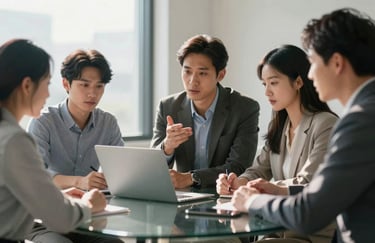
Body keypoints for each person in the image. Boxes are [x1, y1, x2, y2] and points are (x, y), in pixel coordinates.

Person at [232, 8, 375, 243]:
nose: (310, 75)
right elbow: (330, 192)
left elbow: (309, 212)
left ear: (337, 63)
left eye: (313, 63)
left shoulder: (360, 120)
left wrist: (251, 201)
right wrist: (280, 190)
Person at [217, 44, 338, 242]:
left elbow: (309, 183)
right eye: (264, 84)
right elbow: (257, 170)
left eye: (273, 83)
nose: (267, 92)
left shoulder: (325, 124)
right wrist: (238, 182)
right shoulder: (280, 127)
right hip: (275, 230)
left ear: (298, 81)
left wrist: (266, 188)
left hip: (309, 235)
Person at [0, 39, 107, 241]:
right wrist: (90, 204)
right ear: (27, 85)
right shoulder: (15, 141)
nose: (49, 94)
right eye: (47, 83)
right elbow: (61, 219)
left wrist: (60, 197)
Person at [150, 34, 260, 188]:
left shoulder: (244, 108)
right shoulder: (168, 107)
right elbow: (152, 169)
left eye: (202, 73)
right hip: (184, 198)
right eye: (187, 71)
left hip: (224, 197)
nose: (192, 81)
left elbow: (238, 165)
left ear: (220, 75)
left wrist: (191, 178)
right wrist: (167, 147)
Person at [27, 49, 124, 191]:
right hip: (52, 201)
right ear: (66, 84)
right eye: (85, 85)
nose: (93, 94)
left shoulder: (108, 122)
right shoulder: (43, 122)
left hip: (94, 202)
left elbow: (122, 170)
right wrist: (79, 182)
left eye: (99, 86)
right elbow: (35, 176)